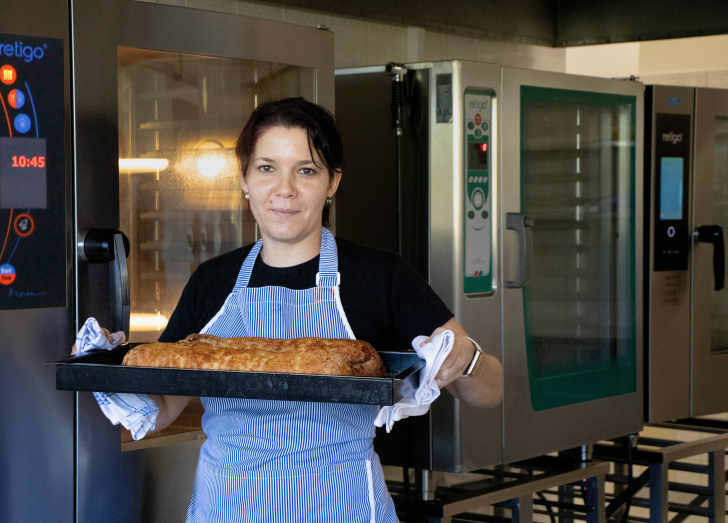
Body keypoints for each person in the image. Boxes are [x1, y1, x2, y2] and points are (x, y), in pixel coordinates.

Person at [95, 98, 503, 522]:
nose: (284, 189)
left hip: (342, 509)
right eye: (267, 168)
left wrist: (466, 358)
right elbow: (162, 408)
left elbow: (492, 389)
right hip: (228, 509)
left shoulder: (379, 277)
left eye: (306, 170)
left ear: (332, 182)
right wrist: (107, 367)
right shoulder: (212, 281)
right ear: (244, 178)